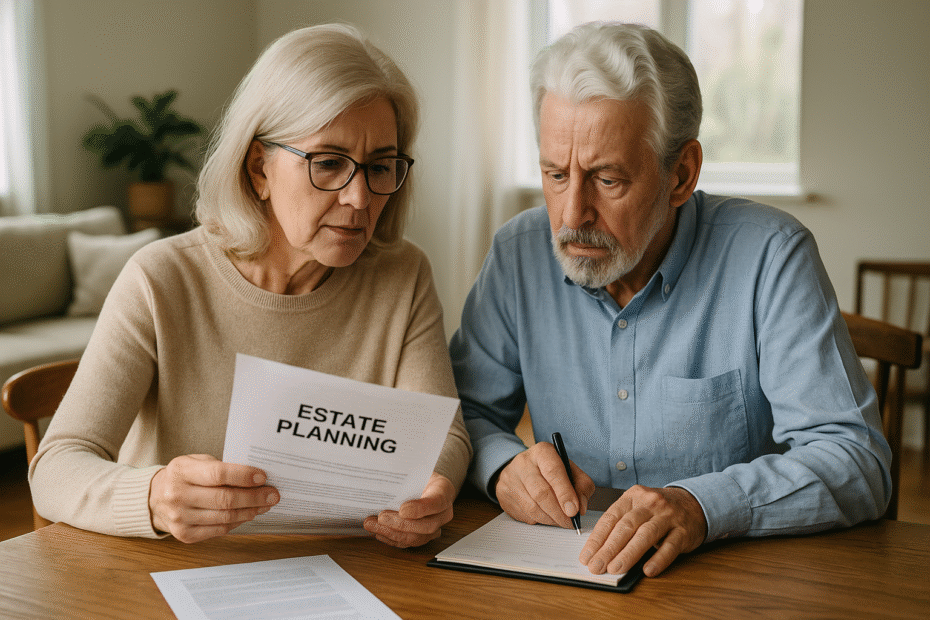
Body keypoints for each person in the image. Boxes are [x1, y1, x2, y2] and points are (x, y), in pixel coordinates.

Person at [449, 22, 890, 578]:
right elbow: (463, 411)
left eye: (607, 179)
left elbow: (857, 462)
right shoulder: (518, 254)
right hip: (567, 578)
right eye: (556, 174)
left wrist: (702, 506)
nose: (571, 214)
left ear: (681, 175)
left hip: (731, 586)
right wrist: (502, 466)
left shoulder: (771, 257)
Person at [30, 23, 471, 547]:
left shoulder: (403, 274)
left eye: (381, 166)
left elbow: (445, 435)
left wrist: (432, 491)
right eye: (329, 164)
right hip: (177, 574)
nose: (359, 197)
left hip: (353, 571)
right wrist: (154, 496)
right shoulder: (160, 278)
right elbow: (55, 468)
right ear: (258, 168)